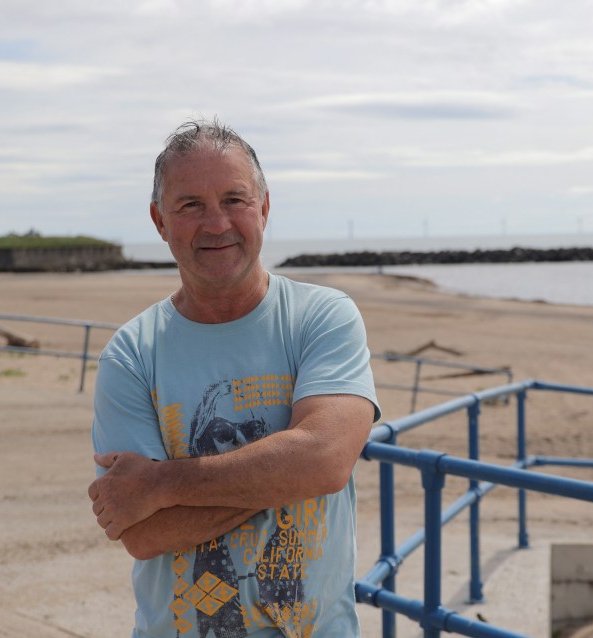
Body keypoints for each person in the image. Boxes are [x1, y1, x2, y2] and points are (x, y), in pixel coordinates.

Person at [88, 117, 380, 638]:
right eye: (190, 205)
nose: (216, 223)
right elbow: (145, 530)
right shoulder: (131, 355)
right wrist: (283, 470)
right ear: (159, 221)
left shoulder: (323, 317)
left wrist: (160, 483)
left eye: (234, 200)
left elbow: (326, 460)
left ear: (264, 208)